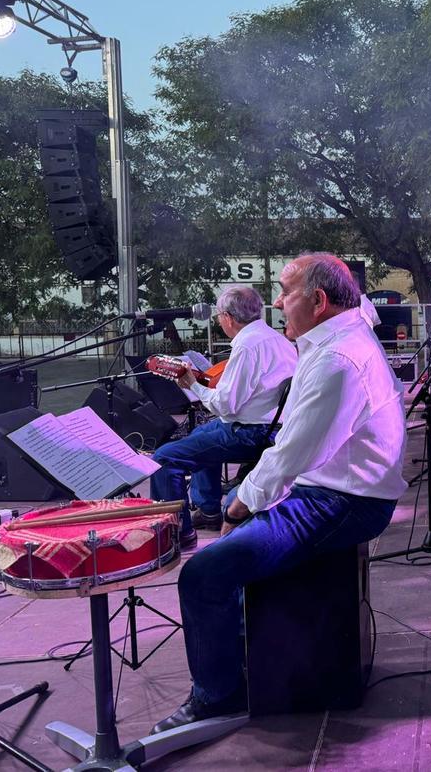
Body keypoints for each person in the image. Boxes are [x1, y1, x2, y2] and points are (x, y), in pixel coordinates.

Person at [153, 253, 408, 732]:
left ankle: (218, 696)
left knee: (203, 575)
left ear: (318, 300)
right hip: (335, 489)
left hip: (342, 501)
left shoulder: (337, 358)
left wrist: (237, 506)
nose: (276, 302)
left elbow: (292, 456)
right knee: (236, 542)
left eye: (285, 292)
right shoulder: (339, 335)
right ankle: (245, 652)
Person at [149, 285, 296, 547]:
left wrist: (193, 385)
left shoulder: (247, 346)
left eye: (218, 316)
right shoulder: (277, 339)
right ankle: (208, 510)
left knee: (164, 459)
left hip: (253, 432)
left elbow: (226, 406)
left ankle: (178, 535)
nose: (219, 321)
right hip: (277, 426)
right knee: (202, 433)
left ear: (228, 317)